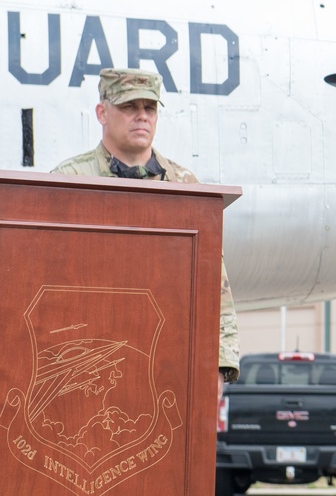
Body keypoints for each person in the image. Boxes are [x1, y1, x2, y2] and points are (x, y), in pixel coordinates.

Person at [52, 67, 240, 396]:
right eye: (129, 107)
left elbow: (213, 283)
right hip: (86, 364)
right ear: (102, 112)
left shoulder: (185, 186)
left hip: (165, 360)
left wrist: (220, 363)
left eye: (149, 108)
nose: (142, 117)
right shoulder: (69, 181)